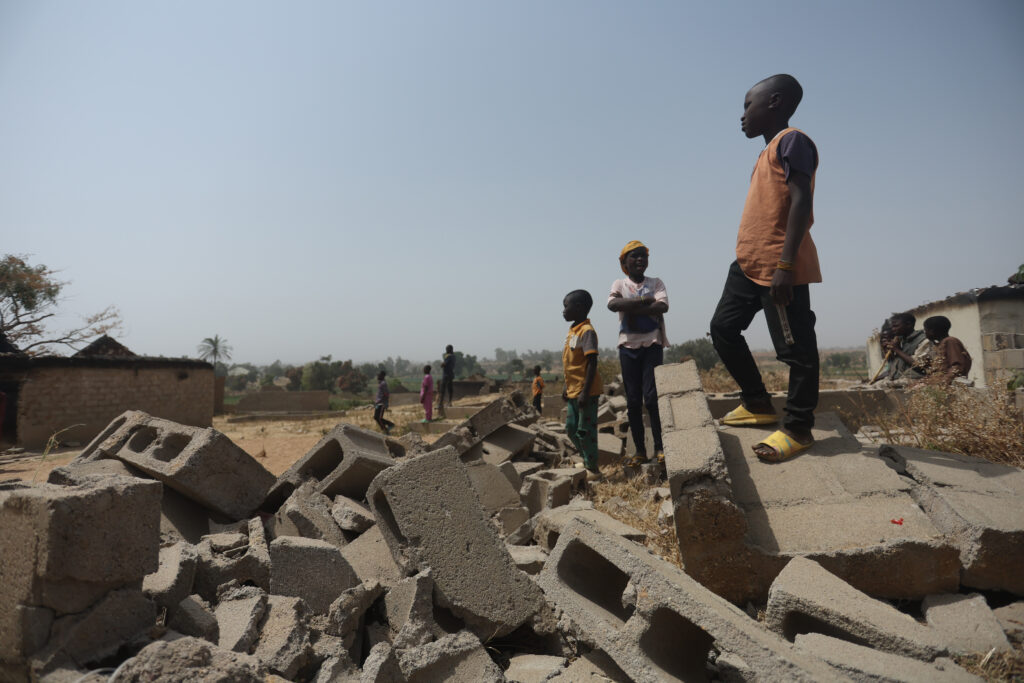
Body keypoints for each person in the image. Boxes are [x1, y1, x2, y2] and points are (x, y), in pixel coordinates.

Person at [709, 74, 821, 463]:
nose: (742, 115)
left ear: (774, 102)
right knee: (723, 328)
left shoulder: (793, 140)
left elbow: (802, 201)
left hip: (778, 263)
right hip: (747, 262)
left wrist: (786, 265)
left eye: (747, 105)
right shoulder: (767, 151)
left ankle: (798, 428)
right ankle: (757, 402)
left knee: (796, 351)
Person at [608, 240, 669, 468]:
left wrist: (631, 307)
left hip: (652, 344)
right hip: (628, 347)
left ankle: (660, 447)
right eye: (634, 256)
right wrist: (644, 300)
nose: (640, 259)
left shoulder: (656, 282)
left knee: (651, 398)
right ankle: (640, 451)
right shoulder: (619, 283)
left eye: (643, 255)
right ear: (624, 262)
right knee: (633, 400)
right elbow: (613, 304)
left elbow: (662, 307)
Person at [561, 290, 604, 480]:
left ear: (578, 308)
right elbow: (571, 364)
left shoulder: (587, 331)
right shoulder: (573, 330)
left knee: (585, 431)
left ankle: (593, 469)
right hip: (573, 390)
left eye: (566, 306)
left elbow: (592, 362)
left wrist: (585, 392)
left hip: (586, 391)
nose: (563, 311)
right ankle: (587, 459)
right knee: (571, 428)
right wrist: (566, 386)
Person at [922, 316, 972, 383]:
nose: (925, 333)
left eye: (925, 330)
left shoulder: (950, 341)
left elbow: (957, 366)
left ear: (932, 331)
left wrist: (943, 382)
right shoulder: (939, 344)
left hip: (947, 384)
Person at [883, 312, 927, 382]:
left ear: (908, 324)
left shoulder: (923, 340)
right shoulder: (900, 340)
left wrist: (897, 350)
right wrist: (887, 350)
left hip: (915, 380)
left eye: (896, 326)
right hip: (898, 379)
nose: (893, 329)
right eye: (892, 327)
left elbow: (918, 365)